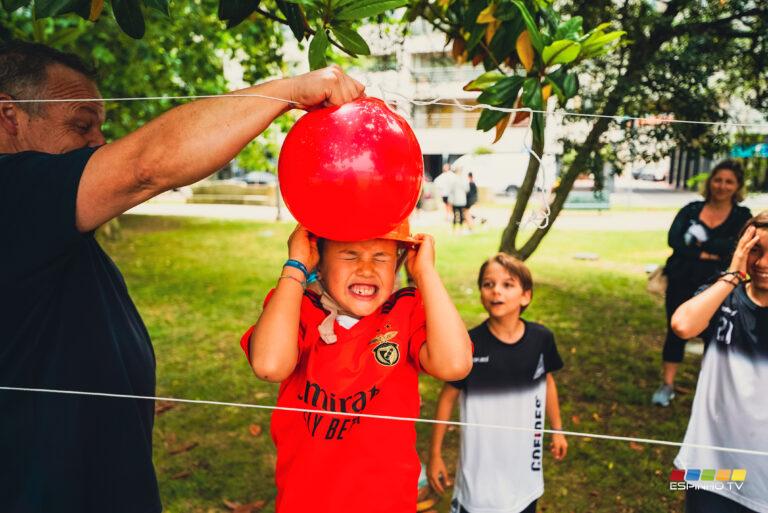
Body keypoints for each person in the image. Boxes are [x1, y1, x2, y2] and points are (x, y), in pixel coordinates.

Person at [0, 40, 365, 513]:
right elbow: (146, 165)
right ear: (9, 117)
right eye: (80, 125)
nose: (99, 144)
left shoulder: (51, 230)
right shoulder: (12, 193)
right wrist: (293, 91)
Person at [239, 223, 472, 513]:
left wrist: (426, 274)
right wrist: (296, 266)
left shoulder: (406, 311)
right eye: (349, 256)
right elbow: (269, 365)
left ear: (398, 263)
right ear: (319, 264)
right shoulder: (295, 308)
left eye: (381, 257)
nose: (366, 268)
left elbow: (455, 365)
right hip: (306, 504)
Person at [428, 253, 567, 513]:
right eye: (488, 284)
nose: (495, 292)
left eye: (507, 284)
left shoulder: (542, 339)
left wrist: (558, 429)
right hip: (478, 484)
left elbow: (547, 382)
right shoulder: (468, 344)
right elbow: (447, 397)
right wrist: (435, 454)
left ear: (526, 296)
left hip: (525, 478)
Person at [671, 212, 768, 513]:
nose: (763, 264)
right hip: (709, 468)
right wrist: (733, 274)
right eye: (756, 250)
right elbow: (683, 326)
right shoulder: (723, 295)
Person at [652, 160, 752, 406]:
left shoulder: (742, 216)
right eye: (718, 180)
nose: (722, 186)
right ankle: (667, 385)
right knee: (675, 331)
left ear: (737, 186)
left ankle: (709, 388)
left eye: (729, 181)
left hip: (718, 287)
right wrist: (710, 252)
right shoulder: (691, 209)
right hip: (681, 281)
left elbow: (734, 247)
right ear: (710, 182)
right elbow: (674, 240)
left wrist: (701, 245)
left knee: (716, 335)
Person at [448, 167, 470, 232]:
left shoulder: (453, 179)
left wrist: (450, 200)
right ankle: (460, 229)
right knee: (460, 214)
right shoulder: (463, 179)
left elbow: (451, 190)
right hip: (461, 200)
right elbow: (467, 189)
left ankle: (455, 229)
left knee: (455, 215)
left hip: (456, 200)